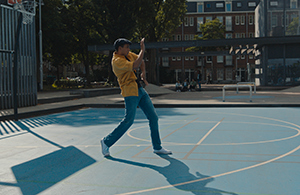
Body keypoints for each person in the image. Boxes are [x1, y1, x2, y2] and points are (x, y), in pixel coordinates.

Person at [100, 38, 172, 157]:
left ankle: (157, 147)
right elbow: (136, 64)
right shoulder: (117, 61)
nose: (129, 49)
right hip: (130, 92)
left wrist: (143, 73)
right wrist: (143, 50)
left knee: (153, 117)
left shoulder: (127, 55)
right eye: (127, 47)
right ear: (120, 49)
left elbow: (140, 61)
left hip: (139, 89)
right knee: (129, 120)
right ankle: (106, 142)